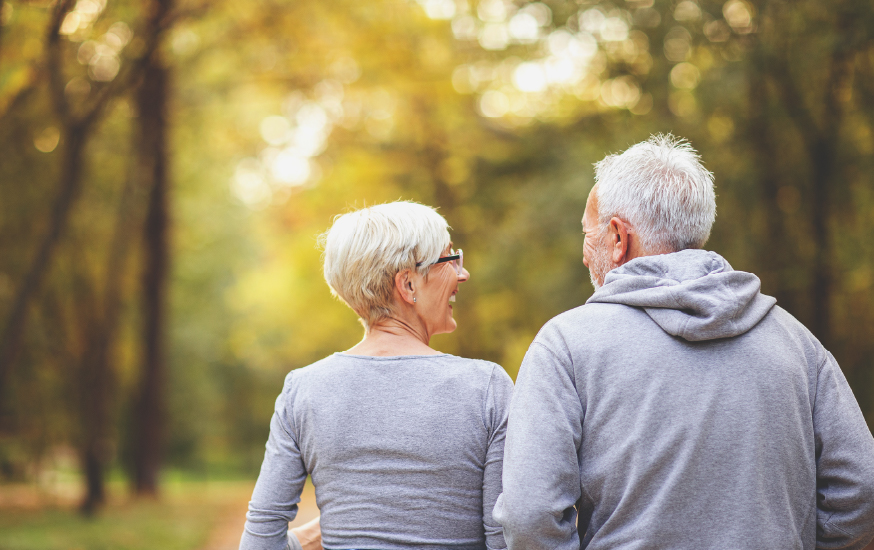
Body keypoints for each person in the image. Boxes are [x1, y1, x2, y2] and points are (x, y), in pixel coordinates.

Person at [494, 135, 874, 549]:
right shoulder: (796, 342)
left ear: (619, 238)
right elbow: (862, 490)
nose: (586, 255)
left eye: (588, 235)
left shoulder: (565, 345)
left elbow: (530, 517)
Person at [240, 201, 513, 550]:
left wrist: (330, 529)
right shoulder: (486, 387)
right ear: (409, 285)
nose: (462, 274)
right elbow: (504, 539)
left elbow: (260, 542)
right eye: (449, 259)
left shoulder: (304, 390)